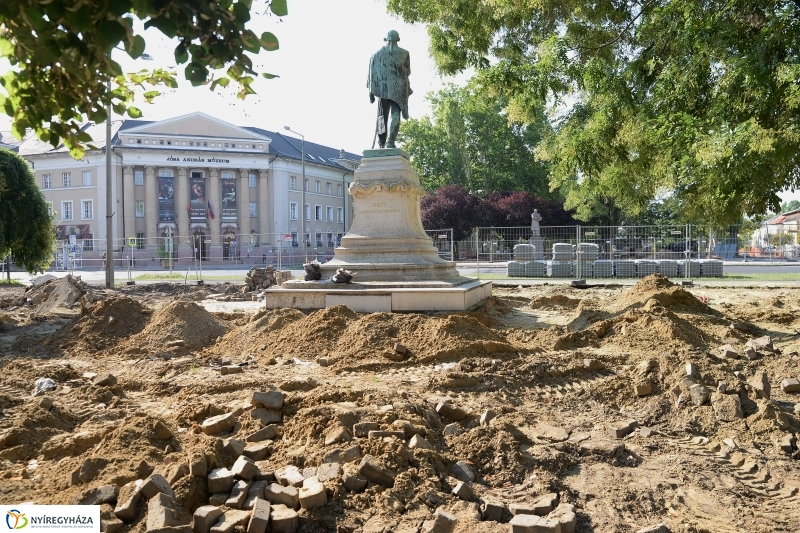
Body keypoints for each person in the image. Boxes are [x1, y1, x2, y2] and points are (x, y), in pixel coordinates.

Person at [367, 30, 412, 149]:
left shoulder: (377, 54)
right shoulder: (405, 53)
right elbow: (408, 72)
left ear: (386, 39)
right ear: (398, 39)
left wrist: (371, 92)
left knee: (382, 115)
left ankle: (381, 143)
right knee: (395, 113)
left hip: (383, 89)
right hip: (398, 89)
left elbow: (372, 72)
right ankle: (390, 142)